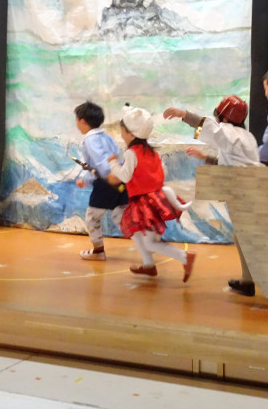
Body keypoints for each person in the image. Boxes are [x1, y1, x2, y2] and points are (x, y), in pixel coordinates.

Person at [164, 95, 261, 296]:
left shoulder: (229, 132)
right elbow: (230, 161)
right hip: (252, 190)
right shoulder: (246, 136)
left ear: (224, 118)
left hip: (243, 192)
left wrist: (183, 114)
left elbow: (209, 127)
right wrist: (205, 157)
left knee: (244, 235)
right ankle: (248, 279)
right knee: (242, 234)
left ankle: (249, 281)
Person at [106, 105, 196, 281]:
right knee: (136, 231)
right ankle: (148, 265)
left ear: (131, 134)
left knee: (149, 242)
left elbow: (125, 176)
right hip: (155, 200)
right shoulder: (153, 153)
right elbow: (162, 173)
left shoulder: (131, 153)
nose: (121, 134)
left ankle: (185, 257)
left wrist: (113, 163)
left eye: (122, 131)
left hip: (144, 204)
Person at [73, 101, 126, 261]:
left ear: (82, 121)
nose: (76, 123)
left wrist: (86, 179)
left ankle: (98, 251)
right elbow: (114, 158)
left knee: (92, 217)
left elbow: (100, 164)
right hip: (121, 180)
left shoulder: (90, 140)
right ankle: (150, 241)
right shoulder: (106, 136)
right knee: (121, 218)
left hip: (106, 184)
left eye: (76, 120)